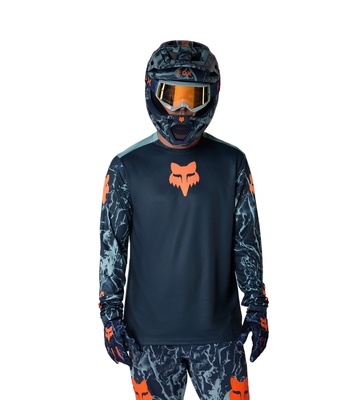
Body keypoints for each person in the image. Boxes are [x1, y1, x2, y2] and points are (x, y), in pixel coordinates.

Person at [98, 40, 269, 400]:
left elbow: (246, 239)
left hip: (220, 336)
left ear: (211, 95)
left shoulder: (232, 162)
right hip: (148, 338)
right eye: (172, 95)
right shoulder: (126, 166)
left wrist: (256, 303)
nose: (182, 109)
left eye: (194, 97)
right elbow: (112, 247)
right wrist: (109, 314)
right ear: (153, 91)